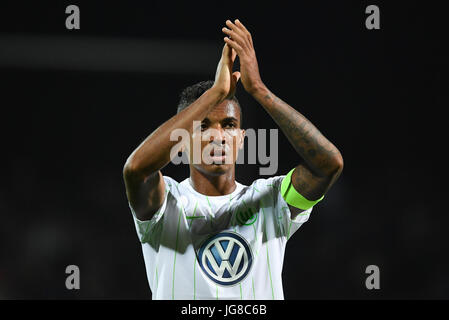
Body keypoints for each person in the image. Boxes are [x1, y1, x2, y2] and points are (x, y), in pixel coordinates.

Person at [123, 19, 343, 300]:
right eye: (203, 126)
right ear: (182, 140)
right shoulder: (166, 202)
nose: (217, 135)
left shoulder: (272, 199)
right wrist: (216, 91)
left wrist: (260, 91)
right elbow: (136, 170)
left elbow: (329, 165)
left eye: (228, 125)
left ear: (241, 138)